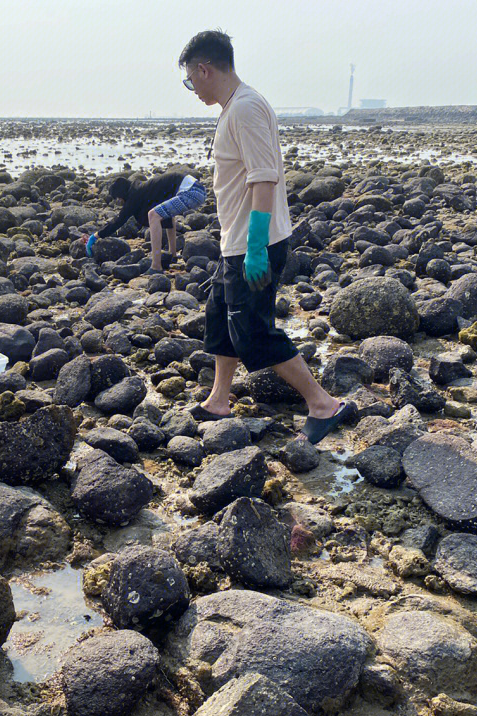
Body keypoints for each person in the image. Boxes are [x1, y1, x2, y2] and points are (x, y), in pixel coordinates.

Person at [179, 29, 352, 444]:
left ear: (204, 69)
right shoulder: (234, 107)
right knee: (220, 318)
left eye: (189, 80)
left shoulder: (246, 108)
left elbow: (264, 178)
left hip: (253, 244)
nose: (191, 88)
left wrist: (256, 246)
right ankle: (219, 399)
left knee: (253, 332)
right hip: (235, 241)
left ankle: (324, 404)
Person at [84, 171, 206, 271]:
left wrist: (96, 236)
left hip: (191, 192)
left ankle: (156, 266)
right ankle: (173, 254)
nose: (120, 202)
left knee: (153, 215)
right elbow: (168, 219)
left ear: (121, 193)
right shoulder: (144, 188)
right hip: (198, 189)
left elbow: (119, 220)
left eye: (118, 199)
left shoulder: (134, 194)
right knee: (164, 214)